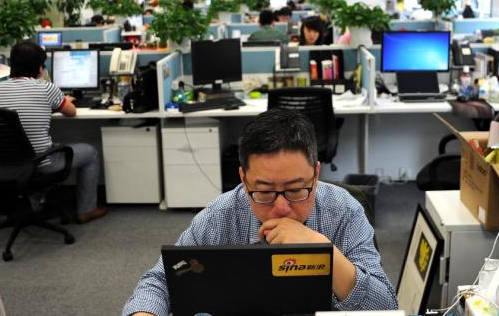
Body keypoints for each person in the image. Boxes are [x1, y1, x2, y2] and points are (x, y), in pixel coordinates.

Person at [123, 109, 398, 316]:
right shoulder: (222, 215)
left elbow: (385, 307)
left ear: (316, 173)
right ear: (243, 178)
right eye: (264, 191)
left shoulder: (344, 212)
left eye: (295, 190)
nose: (281, 208)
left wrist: (321, 249)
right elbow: (160, 280)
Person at [0, 41, 107, 224]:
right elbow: (71, 112)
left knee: (41, 145)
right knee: (91, 153)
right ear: (39, 68)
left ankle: (36, 202)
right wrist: (62, 100)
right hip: (43, 163)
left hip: (10, 163)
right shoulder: (47, 88)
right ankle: (86, 210)